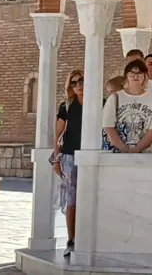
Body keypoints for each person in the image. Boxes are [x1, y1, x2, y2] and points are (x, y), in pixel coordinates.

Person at [102, 59, 152, 153]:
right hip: (119, 154)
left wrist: (138, 148)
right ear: (126, 76)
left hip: (146, 155)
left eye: (140, 73)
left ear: (145, 76)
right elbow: (108, 127)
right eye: (132, 73)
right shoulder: (114, 98)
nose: (136, 76)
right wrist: (123, 148)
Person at [53, 69, 83, 258]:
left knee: (88, 199)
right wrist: (57, 160)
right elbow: (57, 135)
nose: (78, 85)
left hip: (91, 157)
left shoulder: (100, 103)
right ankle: (71, 240)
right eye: (74, 82)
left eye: (81, 81)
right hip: (70, 156)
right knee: (71, 201)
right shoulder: (67, 106)